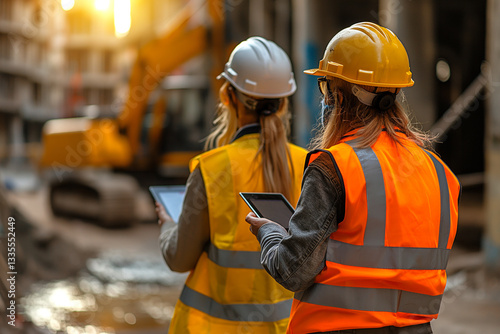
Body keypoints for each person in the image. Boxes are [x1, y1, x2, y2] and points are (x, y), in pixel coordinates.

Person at [246, 22, 461, 334]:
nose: (325, 100)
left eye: (326, 87)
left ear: (339, 94)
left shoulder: (335, 166)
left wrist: (269, 234)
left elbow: (293, 270)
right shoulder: (440, 173)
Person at [157, 36, 308, 333]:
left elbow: (179, 257)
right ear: (283, 102)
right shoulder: (308, 165)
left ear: (228, 96)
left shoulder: (212, 168)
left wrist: (166, 225)